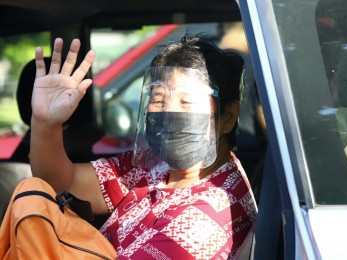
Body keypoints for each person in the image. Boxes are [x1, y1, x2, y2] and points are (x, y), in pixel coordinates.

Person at [23, 34, 256, 259]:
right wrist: (46, 123)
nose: (168, 112)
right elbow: (65, 183)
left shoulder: (205, 219)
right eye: (158, 99)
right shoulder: (155, 166)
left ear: (228, 116)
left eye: (186, 102)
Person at [219, 22, 267, 202]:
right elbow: (264, 117)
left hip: (219, 160)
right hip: (249, 162)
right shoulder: (252, 66)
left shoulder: (207, 67)